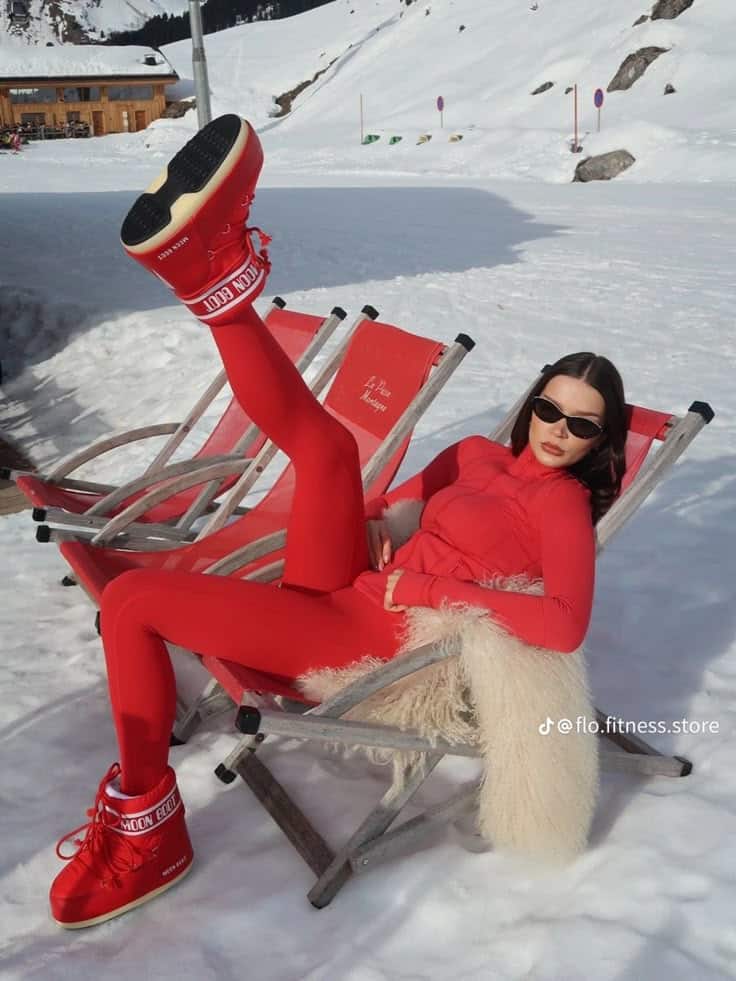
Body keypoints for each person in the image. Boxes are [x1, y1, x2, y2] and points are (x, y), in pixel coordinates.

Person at [49, 114, 628, 929]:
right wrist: (377, 518)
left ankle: (150, 826)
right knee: (323, 449)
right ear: (530, 402)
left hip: (376, 644)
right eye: (550, 409)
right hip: (354, 580)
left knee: (135, 602)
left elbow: (564, 625)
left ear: (603, 440)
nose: (559, 432)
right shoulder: (475, 454)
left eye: (583, 425)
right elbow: (389, 498)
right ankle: (211, 276)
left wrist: (422, 582)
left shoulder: (560, 504)